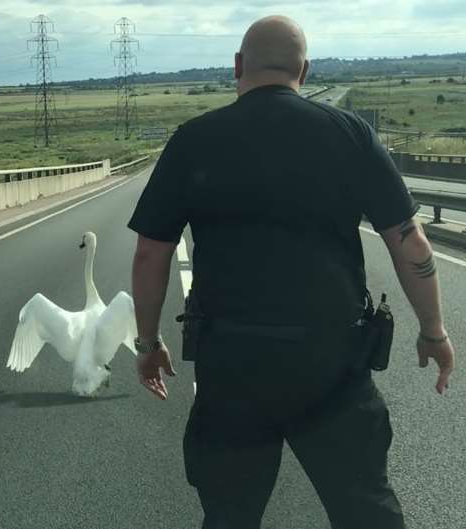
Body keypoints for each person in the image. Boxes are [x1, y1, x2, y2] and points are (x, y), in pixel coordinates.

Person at [127, 15, 455, 529]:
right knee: (365, 510)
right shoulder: (350, 134)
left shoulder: (194, 139)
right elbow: (408, 239)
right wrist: (432, 330)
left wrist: (148, 344)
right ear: (304, 70)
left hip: (231, 367)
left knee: (230, 516)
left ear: (238, 67)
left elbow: (151, 252)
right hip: (332, 365)